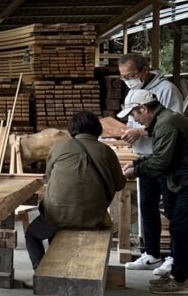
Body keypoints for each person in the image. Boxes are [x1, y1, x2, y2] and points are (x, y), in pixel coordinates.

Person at [121, 90, 188, 295]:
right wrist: (137, 162)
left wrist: (136, 171)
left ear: (144, 109)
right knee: (180, 226)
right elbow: (161, 154)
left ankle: (180, 281)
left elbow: (161, 162)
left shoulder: (166, 123)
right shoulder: (164, 120)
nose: (134, 119)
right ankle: (178, 276)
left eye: (134, 114)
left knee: (180, 227)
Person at [25, 111, 126, 269]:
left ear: (72, 129)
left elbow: (49, 176)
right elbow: (120, 184)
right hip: (94, 217)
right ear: (97, 129)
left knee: (32, 234)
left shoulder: (59, 147)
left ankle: (40, 270)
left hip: (57, 215)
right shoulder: (106, 151)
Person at [117, 53, 183, 275]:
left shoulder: (167, 90)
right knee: (147, 206)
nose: (128, 80)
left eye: (131, 75)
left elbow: (174, 124)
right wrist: (126, 132)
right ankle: (152, 253)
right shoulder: (134, 91)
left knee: (173, 210)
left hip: (165, 157)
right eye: (124, 77)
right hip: (144, 156)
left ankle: (175, 256)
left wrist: (140, 130)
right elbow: (131, 121)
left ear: (144, 70)